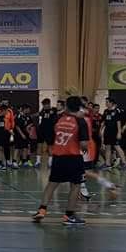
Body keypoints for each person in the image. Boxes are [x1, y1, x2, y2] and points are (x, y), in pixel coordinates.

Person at [32, 96, 90, 225]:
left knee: (51, 184)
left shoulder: (59, 119)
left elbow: (52, 137)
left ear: (66, 107)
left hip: (58, 157)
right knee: (75, 186)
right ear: (79, 107)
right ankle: (69, 215)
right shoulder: (80, 121)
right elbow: (84, 144)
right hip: (73, 157)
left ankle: (41, 210)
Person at [101, 97, 126, 170]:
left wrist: (119, 132)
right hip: (107, 132)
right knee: (107, 147)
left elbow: (118, 122)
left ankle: (125, 164)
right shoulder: (106, 111)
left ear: (111, 103)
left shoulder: (116, 111)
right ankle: (107, 164)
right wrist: (100, 130)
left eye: (107, 102)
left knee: (117, 147)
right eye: (106, 102)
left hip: (114, 132)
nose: (106, 103)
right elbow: (104, 122)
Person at [35, 98, 57, 168]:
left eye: (45, 105)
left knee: (50, 147)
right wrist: (32, 115)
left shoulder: (54, 110)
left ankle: (50, 163)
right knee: (39, 146)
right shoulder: (43, 110)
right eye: (43, 105)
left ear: (48, 104)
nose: (44, 106)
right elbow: (39, 114)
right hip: (41, 130)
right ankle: (38, 162)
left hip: (50, 131)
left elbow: (58, 114)